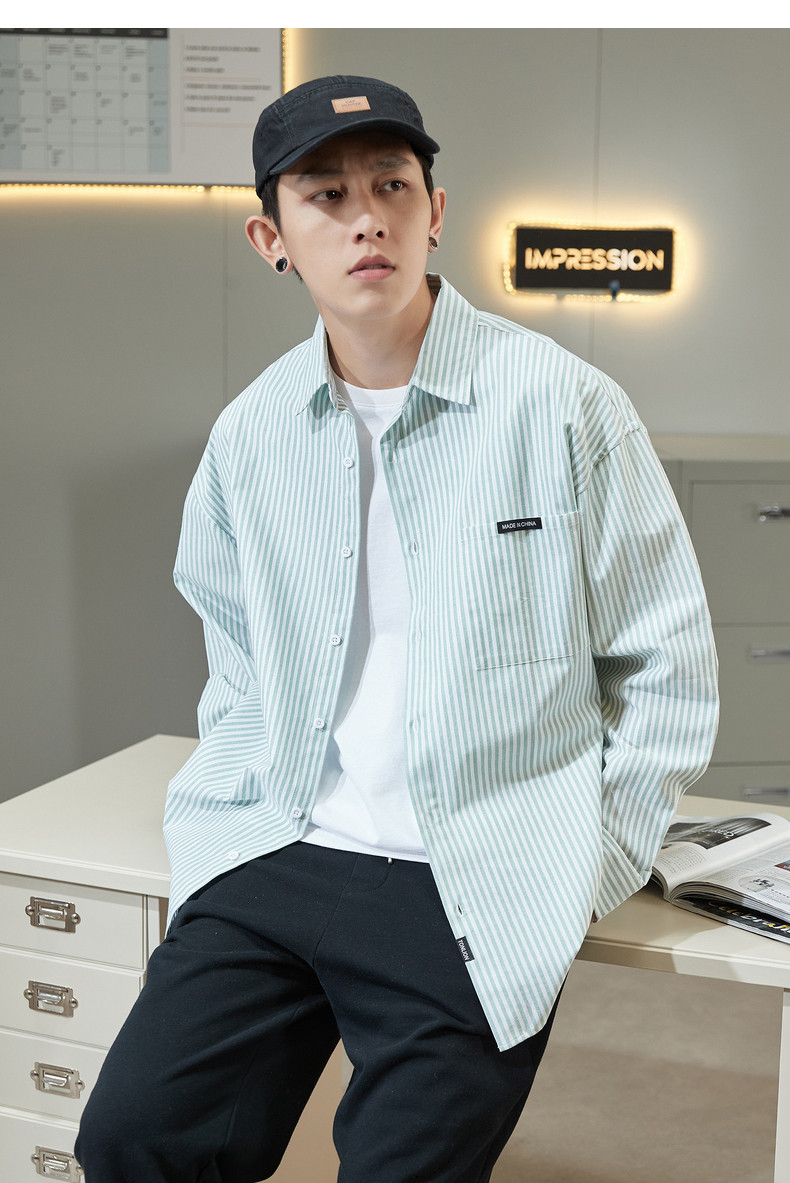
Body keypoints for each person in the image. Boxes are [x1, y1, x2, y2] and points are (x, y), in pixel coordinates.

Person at [76, 74, 719, 1182]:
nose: (365, 216)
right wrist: (229, 818)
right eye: (325, 196)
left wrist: (583, 860)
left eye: (391, 186)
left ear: (435, 212)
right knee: (131, 1141)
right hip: (278, 848)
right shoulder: (248, 437)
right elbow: (237, 664)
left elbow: (668, 668)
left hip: (467, 869)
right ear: (271, 240)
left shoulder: (562, 404)